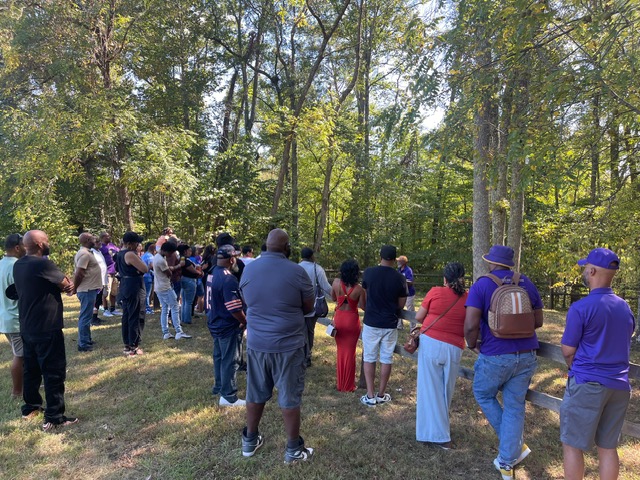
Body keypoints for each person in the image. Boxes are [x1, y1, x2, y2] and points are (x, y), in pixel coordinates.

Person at [464, 245, 544, 480]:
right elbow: (538, 321)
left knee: (483, 393)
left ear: (491, 262)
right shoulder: (526, 283)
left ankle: (513, 447)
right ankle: (507, 460)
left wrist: (472, 344)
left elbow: (470, 325)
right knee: (515, 406)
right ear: (509, 263)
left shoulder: (482, 285)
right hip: (527, 354)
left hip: (496, 354)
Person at [239, 228, 315, 463]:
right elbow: (309, 306)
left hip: (257, 343)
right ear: (287, 247)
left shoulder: (249, 269)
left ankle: (249, 441)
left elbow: (246, 300)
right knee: (289, 396)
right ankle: (293, 450)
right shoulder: (297, 271)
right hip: (289, 345)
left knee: (255, 392)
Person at [560, 248, 635, 480]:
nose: (584, 271)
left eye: (585, 267)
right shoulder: (625, 307)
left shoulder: (581, 308)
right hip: (619, 386)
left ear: (592, 271)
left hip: (588, 383)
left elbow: (568, 350)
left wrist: (575, 366)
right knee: (608, 447)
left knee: (572, 445)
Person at [12, 230, 78, 431]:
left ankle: (31, 407)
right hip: (47, 326)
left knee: (31, 370)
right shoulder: (43, 264)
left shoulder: (19, 264)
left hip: (27, 325)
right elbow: (65, 284)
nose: (49, 243)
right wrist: (67, 283)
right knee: (53, 372)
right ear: (40, 245)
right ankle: (54, 417)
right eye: (46, 240)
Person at [415, 262, 467, 449]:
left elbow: (419, 317)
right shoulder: (468, 298)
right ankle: (434, 432)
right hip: (454, 346)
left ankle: (438, 435)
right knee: (446, 390)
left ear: (445, 279)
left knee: (429, 389)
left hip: (431, 342)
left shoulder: (435, 292)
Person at [360, 245, 407, 406]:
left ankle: (370, 395)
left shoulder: (369, 273)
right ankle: (381, 394)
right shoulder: (399, 278)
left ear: (380, 256)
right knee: (387, 358)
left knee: (369, 357)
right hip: (390, 323)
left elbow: (364, 296)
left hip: (371, 321)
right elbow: (401, 304)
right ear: (394, 259)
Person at [207, 244, 247, 407]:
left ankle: (218, 387)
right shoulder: (228, 278)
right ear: (231, 259)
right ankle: (228, 395)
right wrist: (244, 321)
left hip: (214, 320)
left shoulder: (212, 272)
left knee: (219, 356)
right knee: (230, 360)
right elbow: (234, 308)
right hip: (227, 324)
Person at [330, 259, 365, 392]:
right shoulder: (359, 289)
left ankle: (341, 384)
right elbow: (363, 306)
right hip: (351, 320)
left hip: (339, 319)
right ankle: (348, 385)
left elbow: (333, 298)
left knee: (341, 352)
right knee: (350, 353)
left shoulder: (336, 283)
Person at [0, 234, 26, 397]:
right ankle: (17, 392)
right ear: (17, 248)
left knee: (23, 354)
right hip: (15, 319)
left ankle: (28, 383)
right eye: (24, 245)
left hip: (6, 317)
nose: (27, 248)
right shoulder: (17, 266)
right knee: (20, 355)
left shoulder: (1, 264)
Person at [115, 232, 148, 356]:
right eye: (136, 243)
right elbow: (145, 268)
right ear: (129, 244)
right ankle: (133, 346)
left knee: (127, 315)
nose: (138, 245)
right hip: (134, 286)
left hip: (125, 285)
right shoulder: (129, 254)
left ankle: (127, 344)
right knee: (136, 315)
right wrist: (138, 267)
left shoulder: (119, 254)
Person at [298, 247, 332, 367]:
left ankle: (301, 355)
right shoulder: (317, 268)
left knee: (300, 331)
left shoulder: (296, 268)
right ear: (312, 256)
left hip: (297, 306)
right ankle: (307, 356)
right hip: (312, 306)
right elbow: (325, 287)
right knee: (310, 331)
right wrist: (336, 296)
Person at [153, 242, 191, 340]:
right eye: (170, 253)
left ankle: (165, 332)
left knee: (165, 309)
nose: (170, 255)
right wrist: (177, 266)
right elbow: (169, 273)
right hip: (165, 287)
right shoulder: (161, 260)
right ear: (165, 251)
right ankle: (178, 331)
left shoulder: (156, 257)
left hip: (158, 287)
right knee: (175, 307)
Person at [73, 232, 103, 352]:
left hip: (89, 289)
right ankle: (83, 344)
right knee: (85, 317)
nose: (95, 240)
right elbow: (79, 273)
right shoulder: (84, 254)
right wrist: (74, 287)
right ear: (87, 240)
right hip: (86, 289)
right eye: (92, 239)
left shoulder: (87, 252)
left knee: (88, 315)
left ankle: (87, 339)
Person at [178, 244, 202, 325]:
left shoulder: (181, 259)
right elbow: (192, 270)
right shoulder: (186, 261)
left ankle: (183, 318)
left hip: (184, 279)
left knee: (185, 301)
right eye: (189, 251)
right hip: (189, 280)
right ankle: (187, 319)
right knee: (188, 301)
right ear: (185, 251)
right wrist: (199, 272)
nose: (190, 252)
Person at [99, 232, 121, 317]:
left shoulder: (112, 245)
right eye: (107, 236)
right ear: (102, 237)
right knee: (106, 292)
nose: (109, 237)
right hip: (107, 272)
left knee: (114, 291)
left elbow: (118, 252)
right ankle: (105, 309)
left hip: (115, 271)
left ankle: (113, 308)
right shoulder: (101, 247)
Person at [397, 255, 416, 329]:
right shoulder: (399, 270)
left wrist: (403, 282)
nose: (397, 262)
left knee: (410, 310)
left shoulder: (408, 270)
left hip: (409, 293)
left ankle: (413, 328)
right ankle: (399, 326)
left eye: (399, 261)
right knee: (399, 308)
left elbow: (410, 282)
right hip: (401, 293)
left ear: (403, 262)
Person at [141, 242, 156, 314]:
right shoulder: (150, 256)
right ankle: (146, 308)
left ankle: (145, 307)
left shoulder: (143, 255)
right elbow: (151, 265)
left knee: (144, 293)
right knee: (147, 293)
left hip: (143, 276)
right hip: (147, 276)